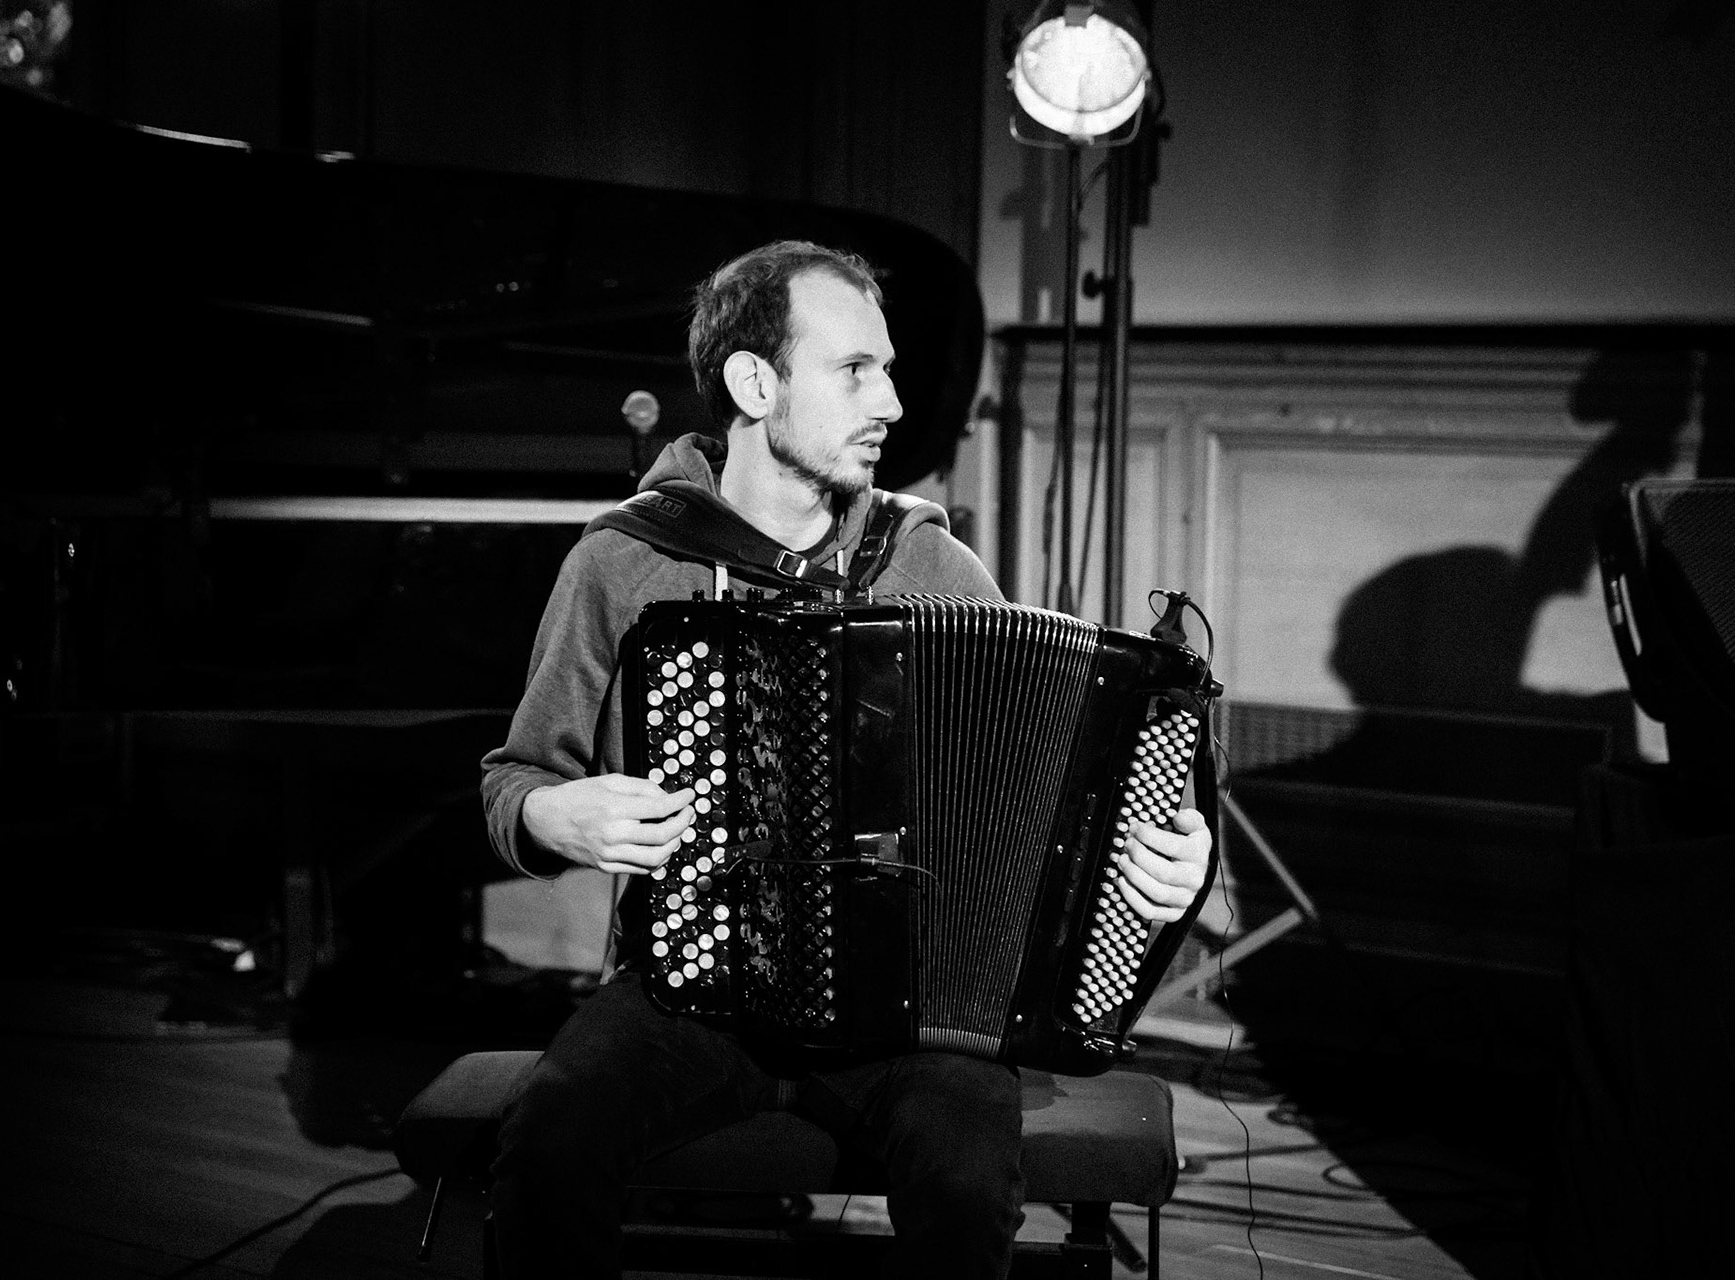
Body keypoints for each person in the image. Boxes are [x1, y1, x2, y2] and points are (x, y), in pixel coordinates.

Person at [477, 239, 1213, 1278]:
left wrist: (1159, 866)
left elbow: (1034, 795)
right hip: (695, 988)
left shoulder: (925, 559)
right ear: (753, 381)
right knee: (548, 1141)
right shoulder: (624, 559)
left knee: (962, 1173)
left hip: (914, 1011)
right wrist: (553, 817)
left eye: (890, 368)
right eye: (856, 369)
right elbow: (514, 777)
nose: (893, 402)